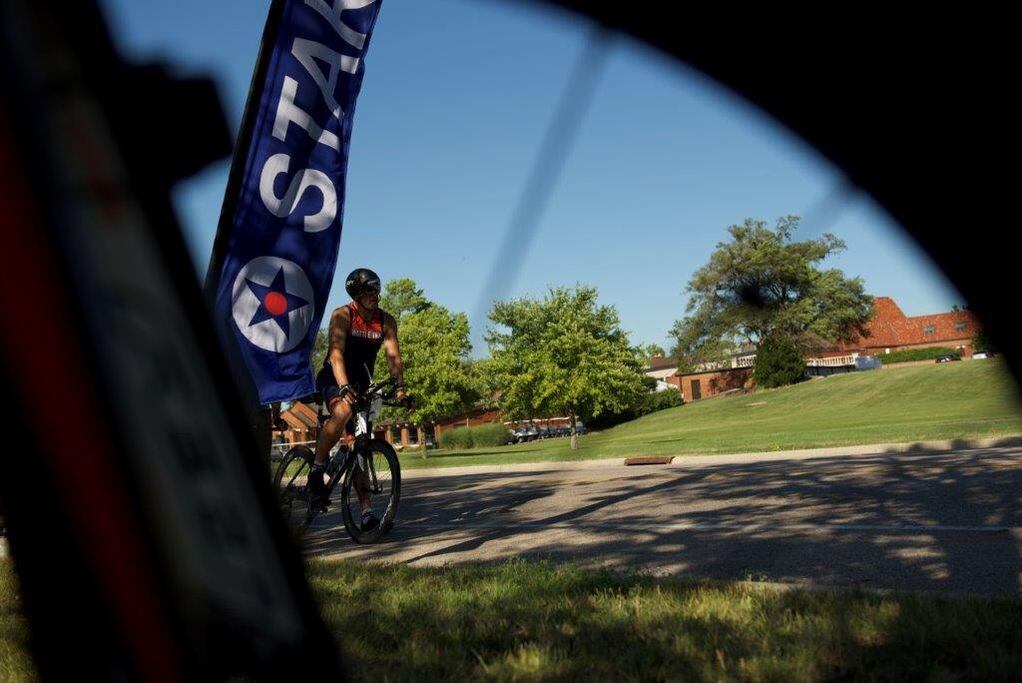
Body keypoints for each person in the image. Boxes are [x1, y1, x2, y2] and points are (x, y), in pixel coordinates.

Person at [307, 268, 410, 530]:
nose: (375, 295)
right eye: (369, 291)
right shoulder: (343, 315)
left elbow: (393, 357)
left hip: (362, 385)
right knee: (342, 413)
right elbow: (336, 354)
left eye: (376, 289)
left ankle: (365, 514)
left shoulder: (386, 321)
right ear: (357, 294)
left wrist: (401, 388)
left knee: (359, 446)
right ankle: (317, 468)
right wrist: (342, 386)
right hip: (334, 377)